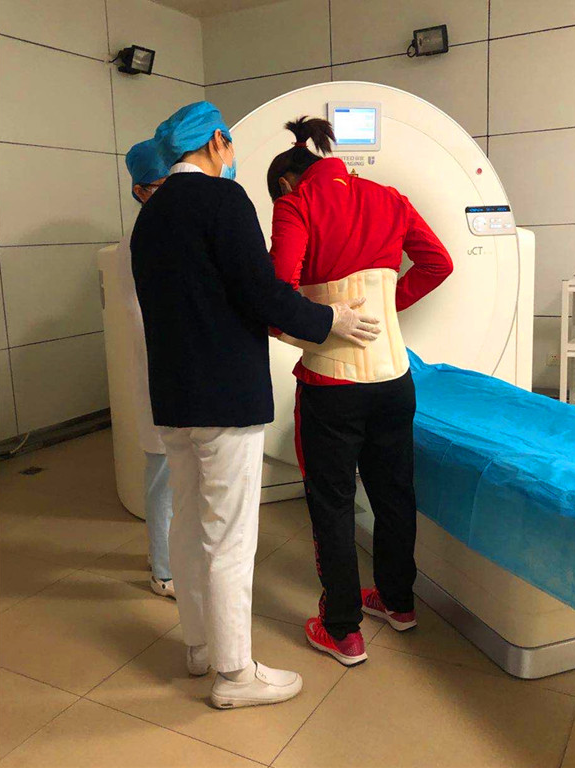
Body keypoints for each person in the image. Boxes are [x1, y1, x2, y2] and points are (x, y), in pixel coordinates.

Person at [130, 101, 380, 709]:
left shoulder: (150, 214)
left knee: (189, 526)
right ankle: (235, 675)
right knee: (230, 539)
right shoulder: (224, 200)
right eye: (230, 143)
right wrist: (329, 320)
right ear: (218, 141)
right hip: (225, 396)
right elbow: (261, 293)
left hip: (175, 397)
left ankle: (199, 648)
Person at [267, 116, 453, 666]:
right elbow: (438, 263)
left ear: (286, 181)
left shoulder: (295, 204)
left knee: (332, 503)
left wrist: (327, 320)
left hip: (332, 385)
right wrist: (385, 309)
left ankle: (342, 629)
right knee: (394, 495)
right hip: (395, 380)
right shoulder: (390, 197)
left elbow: (278, 298)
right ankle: (398, 603)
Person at [118, 139, 175, 599]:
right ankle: (164, 570)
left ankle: (164, 555)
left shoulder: (159, 232)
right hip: (163, 371)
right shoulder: (142, 239)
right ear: (140, 190)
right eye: (162, 185)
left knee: (170, 473)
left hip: (170, 371)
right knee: (164, 473)